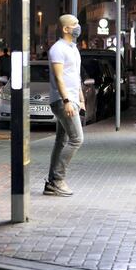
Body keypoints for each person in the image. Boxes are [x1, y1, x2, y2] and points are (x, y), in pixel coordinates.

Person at [43, 14, 85, 197]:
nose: (78, 26)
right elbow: (59, 77)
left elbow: (74, 76)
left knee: (61, 141)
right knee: (77, 139)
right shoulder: (57, 49)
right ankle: (58, 179)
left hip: (72, 99)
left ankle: (52, 183)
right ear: (65, 29)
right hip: (62, 101)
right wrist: (67, 100)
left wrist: (81, 97)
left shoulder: (73, 48)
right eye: (74, 24)